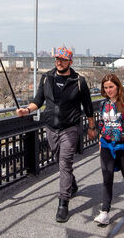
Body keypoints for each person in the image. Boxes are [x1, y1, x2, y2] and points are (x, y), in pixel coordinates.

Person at [17, 46, 95, 222]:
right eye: (57, 59)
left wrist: (92, 127)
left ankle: (63, 204)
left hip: (70, 128)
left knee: (65, 163)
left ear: (70, 62)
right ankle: (71, 183)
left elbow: (88, 106)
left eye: (63, 60)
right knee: (59, 160)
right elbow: (38, 101)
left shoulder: (79, 81)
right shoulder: (47, 78)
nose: (59, 62)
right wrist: (26, 110)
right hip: (51, 127)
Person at [93, 73, 124, 226]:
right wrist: (100, 140)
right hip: (107, 145)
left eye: (111, 87)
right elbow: (102, 123)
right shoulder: (103, 104)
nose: (108, 90)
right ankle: (104, 212)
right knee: (107, 177)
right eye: (106, 87)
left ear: (118, 86)